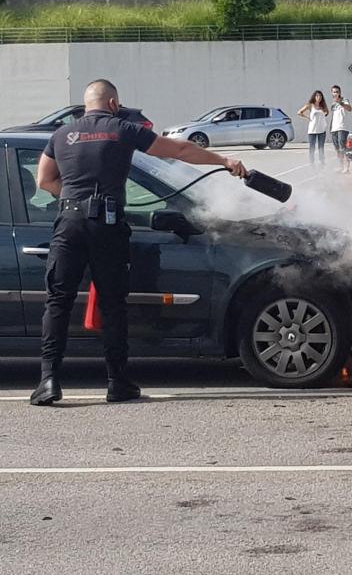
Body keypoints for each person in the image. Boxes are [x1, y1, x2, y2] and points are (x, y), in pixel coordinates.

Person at [30, 79, 246, 406]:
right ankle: (117, 382)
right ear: (114, 103)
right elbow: (180, 150)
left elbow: (44, 180)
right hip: (107, 225)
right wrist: (224, 161)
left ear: (87, 104)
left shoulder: (61, 135)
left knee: (58, 300)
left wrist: (76, 198)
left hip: (70, 224)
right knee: (113, 304)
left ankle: (48, 381)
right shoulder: (123, 129)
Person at [297, 90, 329, 167]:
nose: (319, 97)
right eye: (317, 96)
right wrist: (308, 117)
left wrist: (322, 119)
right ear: (314, 97)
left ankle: (322, 161)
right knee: (312, 147)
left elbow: (327, 112)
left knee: (321, 146)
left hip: (321, 129)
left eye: (320, 96)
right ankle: (312, 162)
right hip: (312, 130)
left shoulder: (323, 106)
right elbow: (299, 112)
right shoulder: (310, 105)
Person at [329, 84, 352, 173]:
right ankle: (341, 166)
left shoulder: (344, 100)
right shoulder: (333, 104)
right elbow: (334, 116)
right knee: (337, 149)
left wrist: (341, 103)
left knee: (343, 148)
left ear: (340, 93)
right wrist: (331, 127)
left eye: (337, 92)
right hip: (334, 128)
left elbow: (349, 108)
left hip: (342, 127)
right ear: (332, 93)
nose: (335, 93)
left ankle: (347, 167)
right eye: (334, 92)